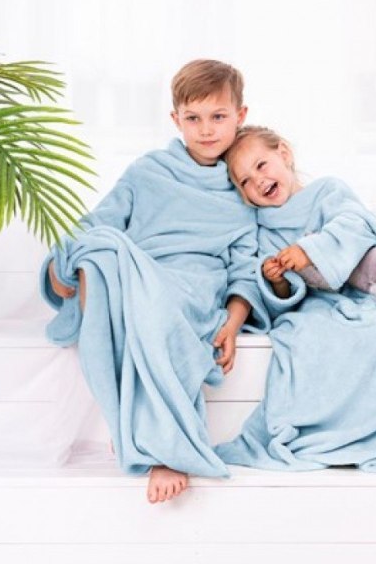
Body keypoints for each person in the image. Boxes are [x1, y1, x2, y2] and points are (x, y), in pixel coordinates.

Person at [41, 62, 270, 503]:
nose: (206, 129)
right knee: (100, 248)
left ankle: (167, 450)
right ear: (175, 119)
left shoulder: (241, 185)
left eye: (218, 116)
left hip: (196, 284)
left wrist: (233, 320)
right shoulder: (148, 171)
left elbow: (246, 266)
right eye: (193, 118)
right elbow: (101, 220)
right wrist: (62, 259)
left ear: (240, 116)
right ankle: (130, 418)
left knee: (160, 310)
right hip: (141, 269)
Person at [215, 125, 376, 475]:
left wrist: (310, 251)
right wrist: (279, 280)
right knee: (306, 337)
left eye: (261, 165)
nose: (258, 181)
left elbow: (356, 225)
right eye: (245, 182)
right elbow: (284, 299)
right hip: (315, 304)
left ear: (284, 153)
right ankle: (325, 430)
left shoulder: (328, 192)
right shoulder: (264, 228)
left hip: (361, 288)